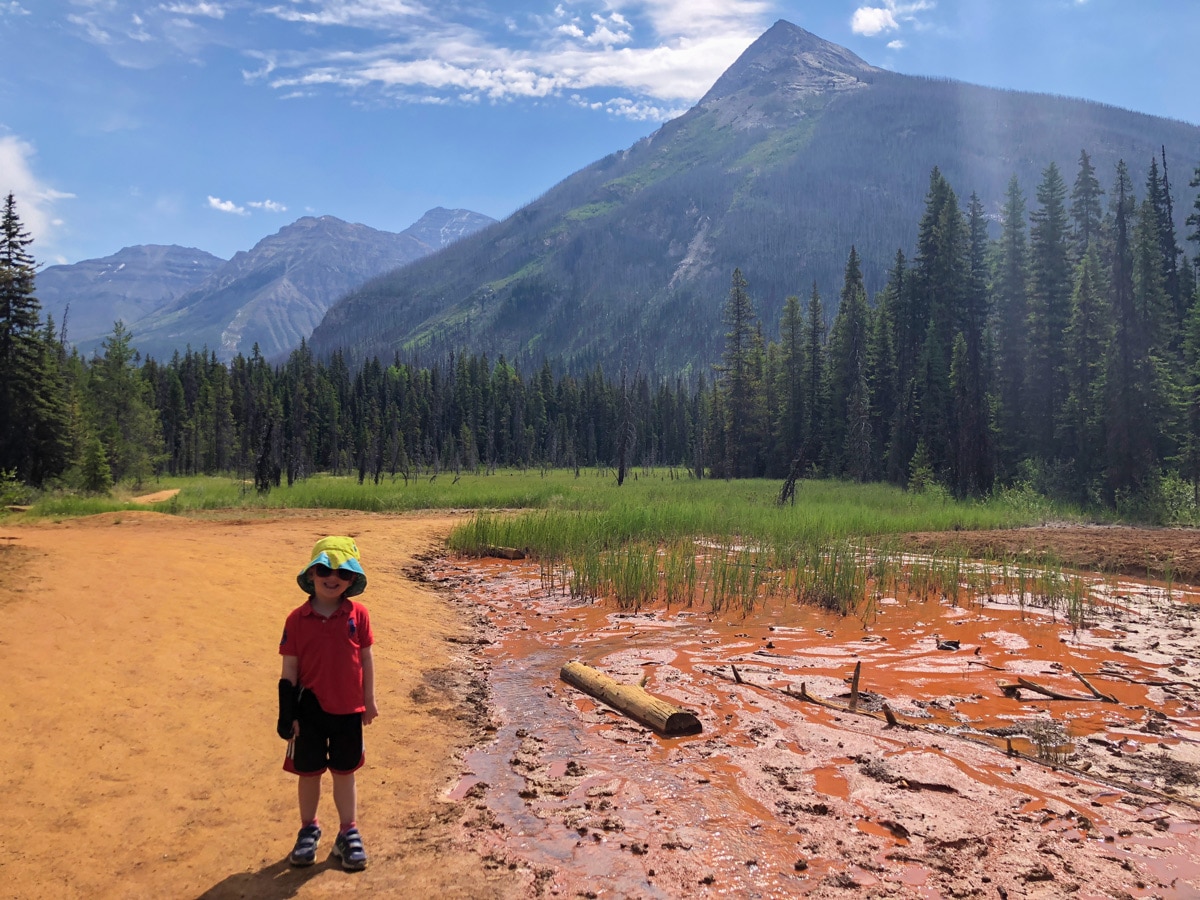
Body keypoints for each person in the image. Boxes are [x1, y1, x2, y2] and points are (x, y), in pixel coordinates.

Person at [277, 536, 379, 870]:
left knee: (344, 773)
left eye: (342, 573)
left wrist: (369, 700)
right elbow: (289, 669)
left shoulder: (358, 614)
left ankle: (347, 832)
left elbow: (366, 659)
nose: (332, 578)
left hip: (349, 709)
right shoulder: (296, 618)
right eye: (324, 569)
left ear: (352, 580)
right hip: (309, 711)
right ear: (310, 574)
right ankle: (309, 829)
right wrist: (286, 712)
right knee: (308, 773)